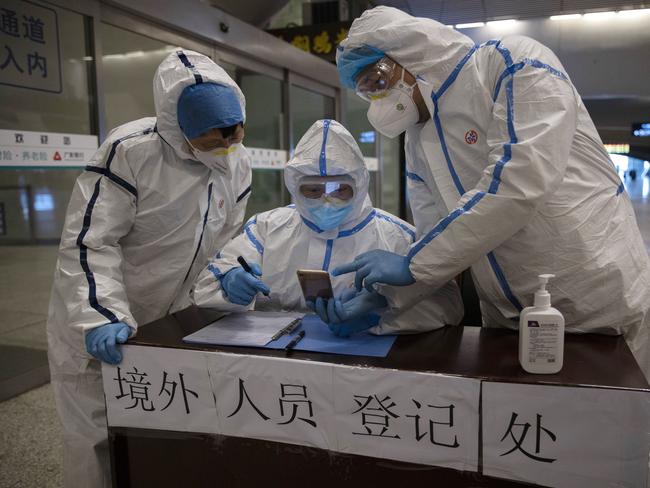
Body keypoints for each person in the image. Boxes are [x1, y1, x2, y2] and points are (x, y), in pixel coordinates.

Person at [333, 6, 650, 379]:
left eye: (377, 81)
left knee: (601, 426)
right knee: (520, 428)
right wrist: (388, 298)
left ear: (411, 53)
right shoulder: (418, 140)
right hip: (506, 321)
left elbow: (519, 183)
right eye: (365, 90)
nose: (376, 99)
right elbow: (436, 239)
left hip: (593, 306)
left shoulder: (512, 64)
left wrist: (412, 265)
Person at [46, 50, 252, 487]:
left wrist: (227, 272)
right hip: (100, 321)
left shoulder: (238, 163)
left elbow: (224, 240)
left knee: (157, 433)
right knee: (94, 436)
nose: (226, 147)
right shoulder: (131, 152)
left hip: (168, 324)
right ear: (179, 130)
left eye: (234, 134)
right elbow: (89, 243)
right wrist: (101, 315)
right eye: (212, 139)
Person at [192, 119, 462, 335]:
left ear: (358, 185)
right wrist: (229, 286)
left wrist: (384, 313)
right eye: (312, 189)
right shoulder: (266, 228)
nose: (326, 200)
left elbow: (448, 305)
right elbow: (206, 286)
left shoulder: (398, 236)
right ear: (294, 187)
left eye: (339, 189)